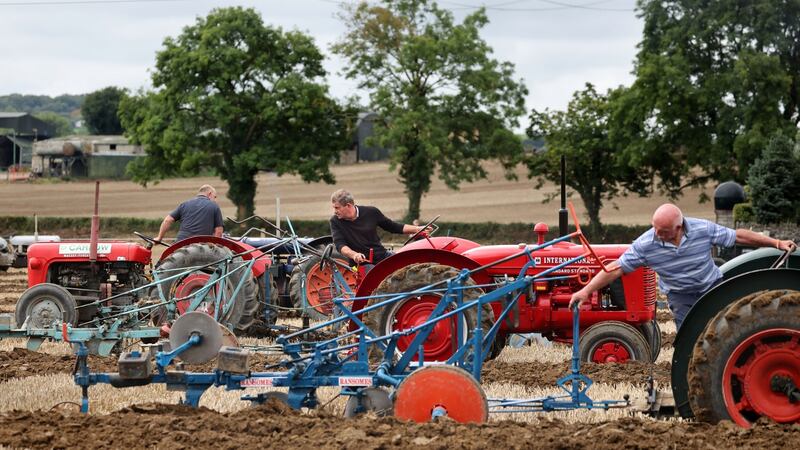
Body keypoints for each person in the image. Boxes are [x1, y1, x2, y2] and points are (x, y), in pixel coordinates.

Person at [569, 203, 796, 329]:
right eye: (654, 228)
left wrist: (776, 243)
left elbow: (738, 237)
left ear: (679, 227)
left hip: (712, 287)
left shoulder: (702, 229)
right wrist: (585, 290)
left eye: (663, 231)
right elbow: (616, 268)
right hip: (681, 296)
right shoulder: (646, 243)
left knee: (729, 330)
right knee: (690, 339)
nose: (657, 234)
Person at [329, 189, 428, 265]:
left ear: (348, 205)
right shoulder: (335, 221)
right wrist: (354, 255)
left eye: (337, 208)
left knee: (407, 266)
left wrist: (418, 229)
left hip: (382, 255)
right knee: (374, 283)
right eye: (334, 208)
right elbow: (340, 245)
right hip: (361, 264)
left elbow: (393, 227)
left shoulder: (371, 212)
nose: (335, 211)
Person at [155, 184, 224, 243]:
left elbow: (168, 220)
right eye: (214, 197)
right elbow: (219, 231)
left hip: (181, 242)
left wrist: (159, 238)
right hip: (202, 244)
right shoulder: (214, 206)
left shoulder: (184, 204)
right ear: (209, 194)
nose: (215, 200)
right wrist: (215, 246)